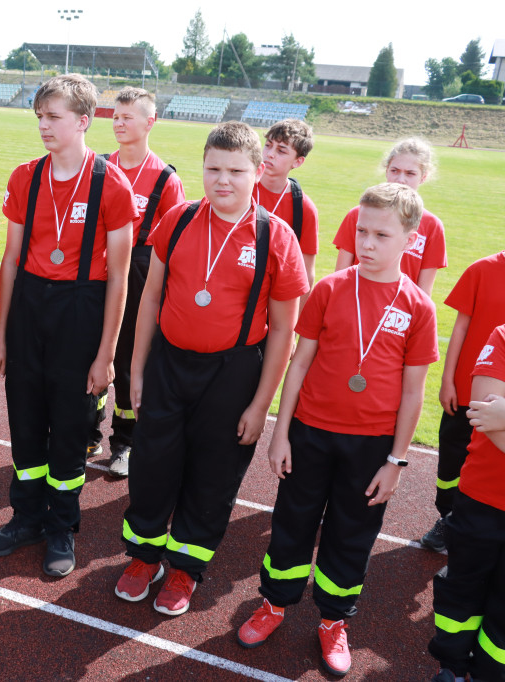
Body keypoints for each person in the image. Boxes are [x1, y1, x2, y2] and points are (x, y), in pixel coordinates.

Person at [237, 183, 438, 676]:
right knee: (292, 523)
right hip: (310, 432)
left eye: (381, 235)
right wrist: (280, 432)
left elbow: (413, 393)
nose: (367, 244)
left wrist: (396, 461)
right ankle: (274, 604)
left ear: (410, 240)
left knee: (351, 535)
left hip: (371, 448)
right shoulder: (329, 287)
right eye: (361, 232)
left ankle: (333, 621)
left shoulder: (418, 307)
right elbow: (299, 363)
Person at [115, 122, 307, 615]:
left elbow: (285, 329)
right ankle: (144, 556)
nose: (223, 180)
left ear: (258, 171)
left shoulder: (276, 237)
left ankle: (185, 568)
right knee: (153, 466)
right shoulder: (177, 219)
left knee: (213, 475)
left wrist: (260, 404)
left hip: (233, 372)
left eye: (236, 171)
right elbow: (151, 297)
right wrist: (137, 370)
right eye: (213, 169)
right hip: (169, 365)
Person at [0, 74, 137, 578]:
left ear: (84, 121)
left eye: (55, 116)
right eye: (40, 117)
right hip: (29, 307)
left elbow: (120, 277)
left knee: (69, 431)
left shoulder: (111, 182)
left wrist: (106, 354)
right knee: (25, 421)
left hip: (81, 309)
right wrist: (1, 333)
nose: (44, 125)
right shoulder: (27, 176)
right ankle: (25, 516)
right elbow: (10, 260)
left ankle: (61, 527)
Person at [93, 86, 185, 477]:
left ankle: (126, 443)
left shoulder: (165, 178)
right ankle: (86, 432)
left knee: (130, 361)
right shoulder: (97, 166)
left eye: (128, 117)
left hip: (141, 270)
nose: (118, 122)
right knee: (89, 352)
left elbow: (174, 243)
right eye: (115, 116)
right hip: (96, 270)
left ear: (151, 122)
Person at [428, 325, 505, 682]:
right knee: (461, 590)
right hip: (480, 499)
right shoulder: (503, 336)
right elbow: (485, 416)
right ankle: (452, 667)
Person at [422, 250, 505, 552]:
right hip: (466, 394)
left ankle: (469, 528)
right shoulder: (482, 269)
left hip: (501, 405)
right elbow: (461, 326)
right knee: (450, 465)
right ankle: (447, 517)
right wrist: (447, 380)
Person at [333, 137, 446, 296]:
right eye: (395, 170)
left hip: (398, 314)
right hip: (356, 304)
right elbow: (339, 276)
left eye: (410, 173)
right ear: (386, 170)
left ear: (423, 176)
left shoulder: (432, 226)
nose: (400, 179)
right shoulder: (357, 215)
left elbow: (423, 292)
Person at [257, 118, 320, 296]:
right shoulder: (241, 188)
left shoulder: (304, 208)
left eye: (281, 151)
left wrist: (296, 322)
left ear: (297, 162)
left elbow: (306, 273)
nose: (269, 154)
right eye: (268, 145)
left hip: (275, 299)